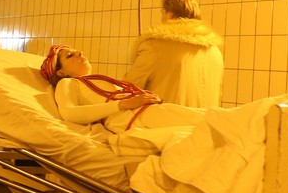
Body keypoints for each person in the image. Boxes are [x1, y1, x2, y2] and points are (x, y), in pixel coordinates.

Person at [41, 44, 202, 134]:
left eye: (76, 51)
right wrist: (123, 104)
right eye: (70, 56)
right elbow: (69, 113)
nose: (79, 53)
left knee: (205, 123)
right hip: (131, 118)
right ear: (61, 72)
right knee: (205, 122)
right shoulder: (67, 83)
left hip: (142, 112)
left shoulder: (95, 81)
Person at [124, 0, 224, 107]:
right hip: (204, 118)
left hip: (167, 118)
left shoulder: (155, 46)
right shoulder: (215, 51)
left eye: (162, 13)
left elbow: (128, 91)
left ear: (169, 15)